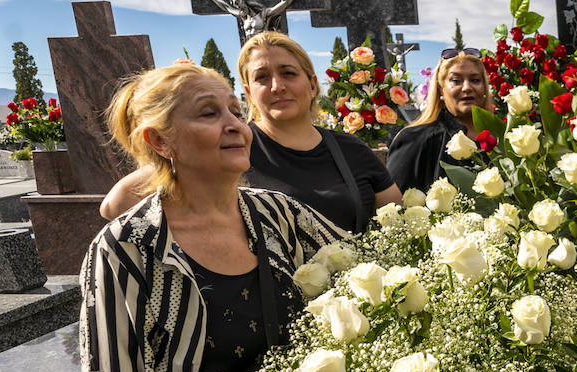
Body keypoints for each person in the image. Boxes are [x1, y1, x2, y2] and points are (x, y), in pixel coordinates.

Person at [81, 62, 350, 372]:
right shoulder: (128, 248)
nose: (235, 124)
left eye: (234, 109)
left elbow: (372, 267)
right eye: (209, 113)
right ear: (160, 141)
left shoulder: (277, 213)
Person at [101, 31, 401, 232]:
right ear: (248, 91)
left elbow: (398, 218)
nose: (277, 86)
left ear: (312, 85)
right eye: (261, 77)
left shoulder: (350, 149)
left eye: (288, 73)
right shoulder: (230, 147)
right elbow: (117, 203)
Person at [386, 48, 494, 192]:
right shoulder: (416, 140)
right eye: (456, 81)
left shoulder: (500, 138)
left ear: (484, 87)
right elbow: (393, 207)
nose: (467, 87)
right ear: (441, 89)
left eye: (475, 80)